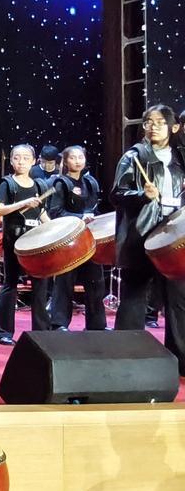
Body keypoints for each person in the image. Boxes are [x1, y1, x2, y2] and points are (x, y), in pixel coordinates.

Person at [113, 104, 185, 371]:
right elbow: (117, 194)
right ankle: (125, 356)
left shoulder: (180, 158)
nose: (153, 127)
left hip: (172, 235)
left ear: (174, 127)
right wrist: (142, 195)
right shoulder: (133, 156)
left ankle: (180, 360)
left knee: (178, 298)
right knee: (134, 296)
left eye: (160, 122)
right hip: (141, 234)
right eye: (148, 122)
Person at [0, 144, 53, 346]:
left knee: (40, 283)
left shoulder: (39, 185)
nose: (21, 162)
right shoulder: (8, 184)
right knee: (10, 283)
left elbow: (41, 213)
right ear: (11, 161)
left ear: (34, 161)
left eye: (26, 158)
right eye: (17, 158)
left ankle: (41, 332)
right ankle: (2, 333)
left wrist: (55, 229)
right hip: (14, 237)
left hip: (36, 239)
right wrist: (22, 204)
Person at [46, 145, 106, 332]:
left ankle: (97, 325)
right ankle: (59, 323)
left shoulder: (91, 182)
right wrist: (80, 218)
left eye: (81, 157)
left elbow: (95, 209)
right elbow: (55, 212)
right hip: (68, 239)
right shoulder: (60, 183)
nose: (78, 161)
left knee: (96, 282)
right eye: (73, 158)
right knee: (65, 282)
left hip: (89, 238)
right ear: (65, 161)